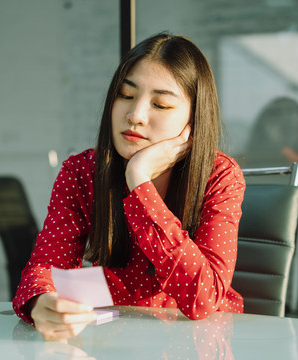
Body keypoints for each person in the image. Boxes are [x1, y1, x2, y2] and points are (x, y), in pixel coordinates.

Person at [13, 32, 246, 341]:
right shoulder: (82, 172)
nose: (135, 115)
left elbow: (202, 299)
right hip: (114, 340)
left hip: (200, 342)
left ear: (194, 119)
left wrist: (139, 181)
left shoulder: (219, 175)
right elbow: (44, 266)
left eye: (161, 105)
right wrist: (41, 302)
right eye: (125, 95)